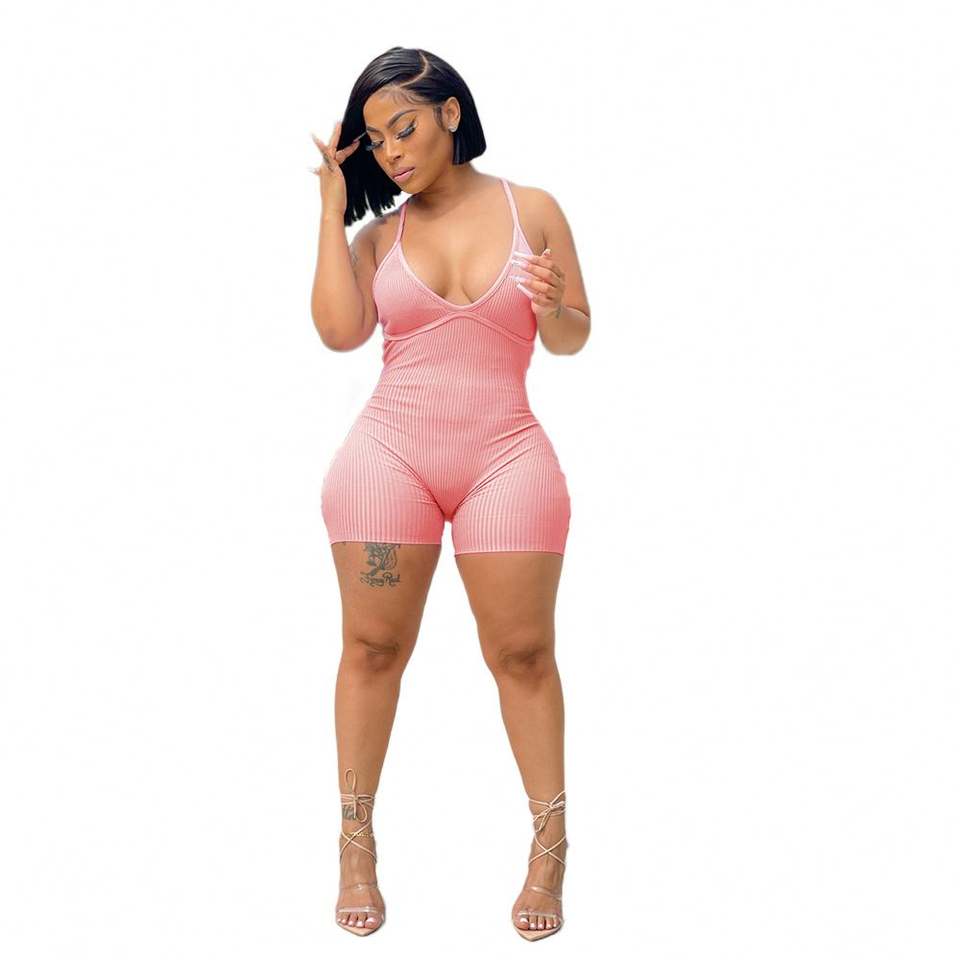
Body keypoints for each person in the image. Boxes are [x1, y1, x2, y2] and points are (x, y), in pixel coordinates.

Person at [308, 46, 590, 941]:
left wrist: (554, 306)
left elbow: (573, 336)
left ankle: (549, 849)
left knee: (523, 655)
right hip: (388, 460)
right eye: (376, 140)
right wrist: (331, 212)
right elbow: (339, 333)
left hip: (506, 456)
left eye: (405, 127)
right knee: (372, 648)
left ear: (450, 114)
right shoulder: (378, 238)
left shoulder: (532, 209)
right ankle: (356, 846)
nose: (393, 152)